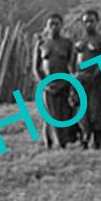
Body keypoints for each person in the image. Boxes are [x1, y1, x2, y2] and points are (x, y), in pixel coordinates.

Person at [32, 13, 76, 149]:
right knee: (48, 115)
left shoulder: (67, 43)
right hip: (47, 85)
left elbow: (72, 64)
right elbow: (36, 67)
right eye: (51, 24)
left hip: (64, 84)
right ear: (46, 26)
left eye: (57, 24)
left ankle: (62, 143)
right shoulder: (42, 44)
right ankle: (49, 143)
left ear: (61, 26)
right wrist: (44, 83)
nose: (54, 27)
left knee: (63, 114)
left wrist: (69, 83)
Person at [74, 10, 101, 150]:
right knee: (81, 112)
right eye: (86, 21)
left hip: (97, 81)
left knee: (96, 113)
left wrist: (93, 76)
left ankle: (97, 143)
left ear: (97, 22)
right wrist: (76, 75)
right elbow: (73, 61)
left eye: (91, 21)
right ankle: (83, 141)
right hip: (81, 81)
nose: (89, 24)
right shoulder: (79, 41)